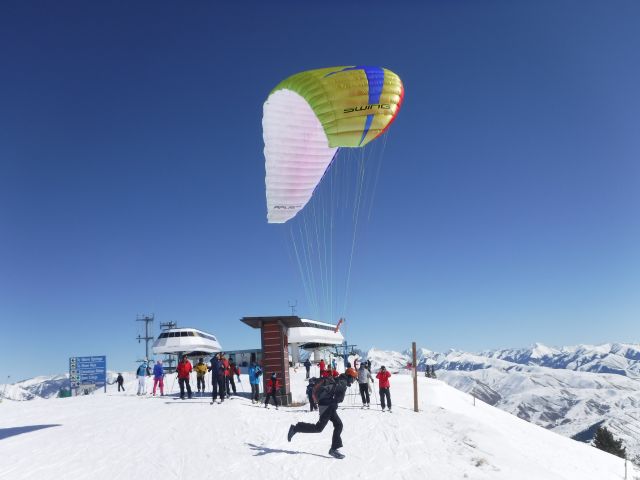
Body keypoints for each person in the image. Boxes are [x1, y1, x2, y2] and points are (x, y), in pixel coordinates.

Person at [287, 367, 358, 459]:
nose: (353, 381)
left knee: (339, 425)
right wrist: (337, 398)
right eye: (353, 378)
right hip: (327, 406)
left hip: (328, 406)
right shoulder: (343, 383)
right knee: (318, 428)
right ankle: (296, 428)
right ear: (349, 376)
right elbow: (340, 399)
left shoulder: (339, 379)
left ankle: (334, 448)